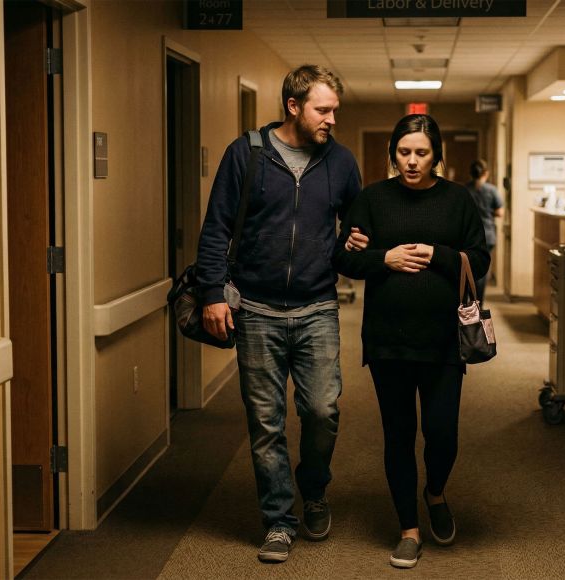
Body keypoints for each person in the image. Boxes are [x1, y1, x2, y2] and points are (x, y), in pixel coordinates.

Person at [196, 64, 363, 563]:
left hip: (316, 306)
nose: (332, 119)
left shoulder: (341, 162)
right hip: (258, 310)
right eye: (323, 109)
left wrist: (355, 244)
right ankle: (278, 520)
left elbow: (355, 234)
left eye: (335, 110)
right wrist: (211, 293)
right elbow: (216, 228)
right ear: (293, 107)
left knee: (322, 411)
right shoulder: (245, 154)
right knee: (265, 422)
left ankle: (314, 489)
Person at [333, 114, 489, 568]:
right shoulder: (372, 199)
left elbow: (478, 259)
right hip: (388, 341)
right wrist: (386, 257)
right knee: (399, 435)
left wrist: (439, 255)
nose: (412, 161)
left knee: (442, 435)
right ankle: (408, 529)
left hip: (443, 341)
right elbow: (345, 258)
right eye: (404, 152)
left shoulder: (458, 200)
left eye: (421, 152)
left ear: (436, 155)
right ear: (393, 154)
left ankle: (435, 492)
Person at [465, 159, 504, 301]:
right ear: (486, 173)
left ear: (471, 173)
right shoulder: (492, 190)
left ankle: (469, 299)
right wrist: (488, 212)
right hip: (487, 235)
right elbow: (500, 212)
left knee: (467, 268)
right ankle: (478, 303)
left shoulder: (465, 189)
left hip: (467, 236)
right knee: (482, 270)